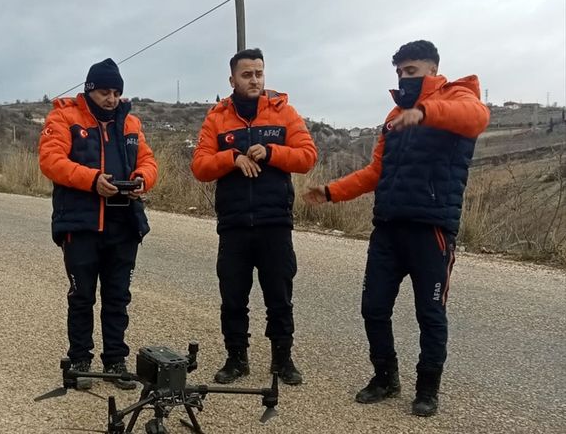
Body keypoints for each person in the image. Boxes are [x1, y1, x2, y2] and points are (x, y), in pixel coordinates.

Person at [304, 40, 490, 416]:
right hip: (387, 229)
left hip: (431, 231)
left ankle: (427, 389)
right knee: (373, 308)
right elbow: (377, 171)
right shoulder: (393, 117)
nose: (405, 78)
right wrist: (331, 192)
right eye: (400, 72)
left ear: (433, 71)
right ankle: (386, 378)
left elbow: (477, 117)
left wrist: (424, 111)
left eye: (412, 71)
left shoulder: (459, 98)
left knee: (430, 314)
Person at [191, 48, 317, 385]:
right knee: (233, 297)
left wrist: (273, 152)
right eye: (247, 74)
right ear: (232, 79)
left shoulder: (283, 112)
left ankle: (282, 360)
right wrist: (231, 158)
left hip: (274, 223)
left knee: (279, 297)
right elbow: (200, 166)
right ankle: (236, 359)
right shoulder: (216, 118)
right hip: (233, 226)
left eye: (259, 73)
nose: (255, 80)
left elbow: (307, 157)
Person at [38, 58, 158, 391]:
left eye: (116, 92)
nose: (111, 98)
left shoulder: (131, 123)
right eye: (104, 91)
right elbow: (51, 160)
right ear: (90, 90)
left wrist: (141, 179)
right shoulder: (64, 117)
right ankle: (80, 360)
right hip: (81, 225)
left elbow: (148, 161)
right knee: (82, 296)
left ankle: (116, 360)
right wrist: (92, 181)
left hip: (124, 225)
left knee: (118, 297)